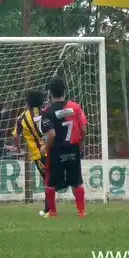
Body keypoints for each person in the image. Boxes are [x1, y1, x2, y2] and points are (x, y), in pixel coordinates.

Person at [40, 78, 88, 218]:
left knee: (50, 182)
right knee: (76, 181)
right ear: (65, 91)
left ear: (50, 93)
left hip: (56, 150)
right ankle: (81, 212)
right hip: (73, 148)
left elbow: (52, 134)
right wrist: (81, 142)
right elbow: (83, 129)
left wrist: (45, 147)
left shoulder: (47, 111)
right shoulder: (75, 107)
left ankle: (53, 212)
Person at [13, 90, 49, 216]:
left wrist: (19, 150)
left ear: (27, 103)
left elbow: (16, 136)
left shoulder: (22, 118)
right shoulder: (47, 113)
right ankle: (50, 207)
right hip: (51, 149)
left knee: (47, 180)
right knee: (51, 178)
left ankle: (48, 208)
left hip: (38, 154)